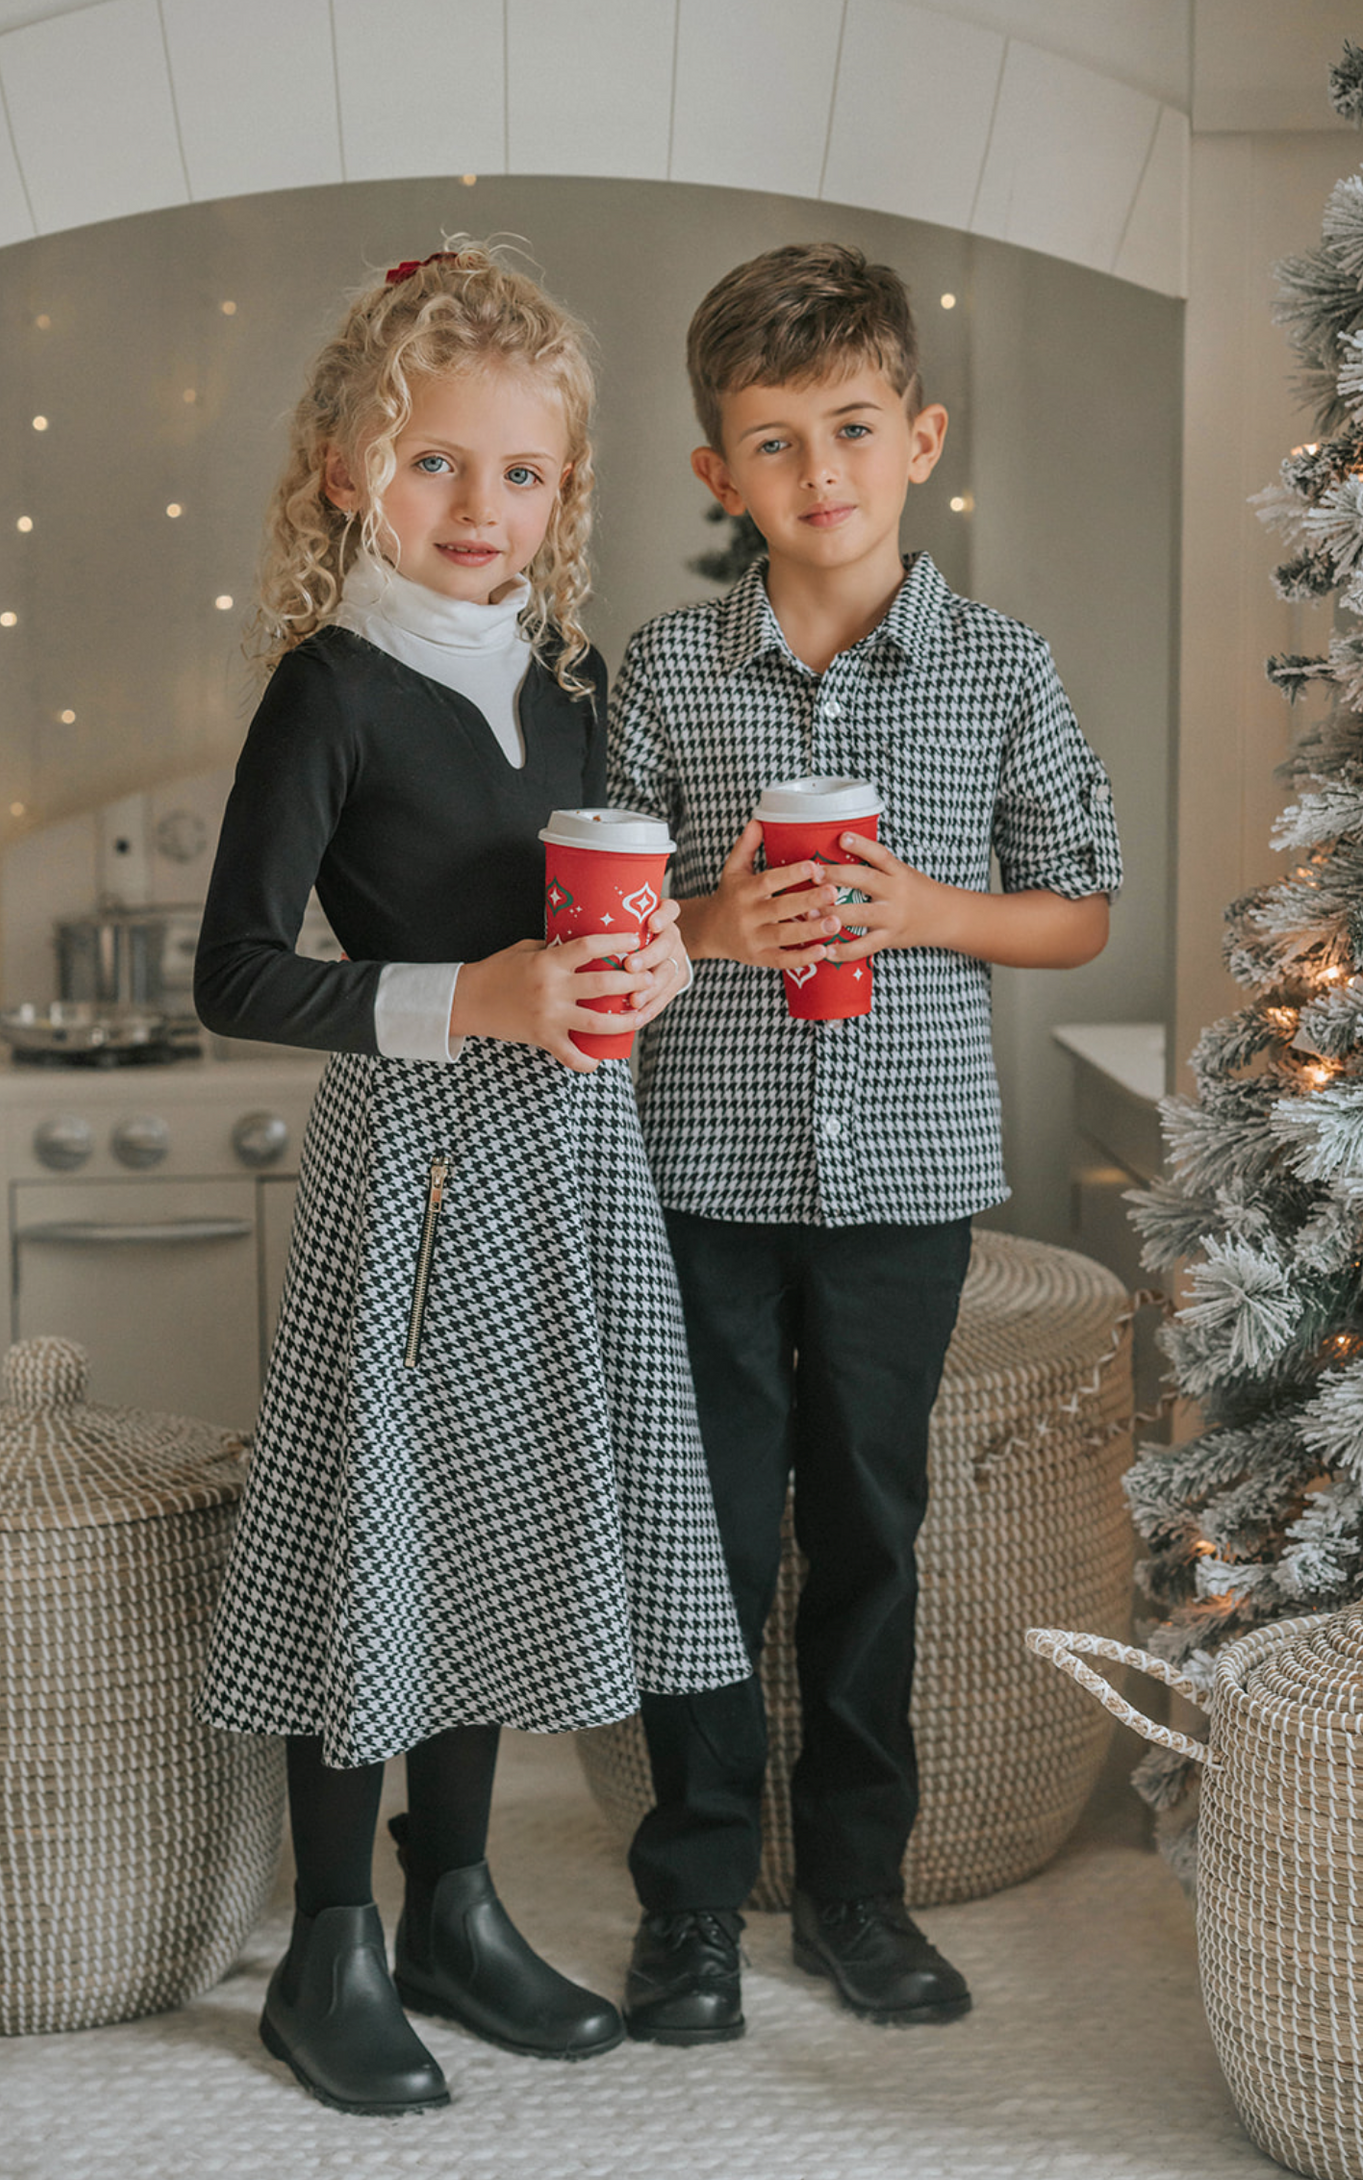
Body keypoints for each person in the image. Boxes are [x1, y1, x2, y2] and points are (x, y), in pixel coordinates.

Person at [192, 243, 750, 2116]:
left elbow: (613, 904)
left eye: (523, 475)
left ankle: (455, 1909)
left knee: (503, 1511)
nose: (480, 509)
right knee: (385, 1523)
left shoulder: (577, 678)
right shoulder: (328, 689)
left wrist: (658, 954)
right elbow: (238, 972)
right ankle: (330, 1946)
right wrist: (478, 994)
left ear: (565, 495)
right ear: (354, 466)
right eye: (437, 464)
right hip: (414, 1157)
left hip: (573, 1160)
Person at [607, 241, 1122, 2044]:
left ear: (921, 436)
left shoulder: (998, 666)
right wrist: (715, 929)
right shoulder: (664, 676)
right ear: (717, 475)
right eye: (772, 443)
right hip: (705, 1189)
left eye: (849, 429)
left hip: (905, 1186)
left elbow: (1078, 910)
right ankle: (687, 1903)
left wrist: (921, 912)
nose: (817, 475)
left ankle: (853, 1892)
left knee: (874, 1534)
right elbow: (612, 932)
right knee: (710, 1542)